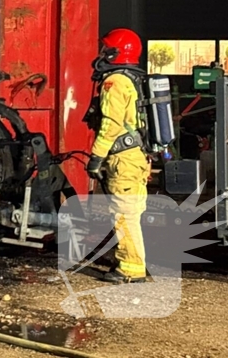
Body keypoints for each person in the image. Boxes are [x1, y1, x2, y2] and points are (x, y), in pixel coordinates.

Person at [85, 27, 150, 284]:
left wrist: (96, 157)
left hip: (123, 158)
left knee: (125, 214)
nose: (101, 54)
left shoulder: (115, 82)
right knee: (129, 213)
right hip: (133, 157)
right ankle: (130, 260)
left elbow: (111, 124)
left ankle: (131, 269)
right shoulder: (131, 79)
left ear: (115, 53)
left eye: (106, 49)